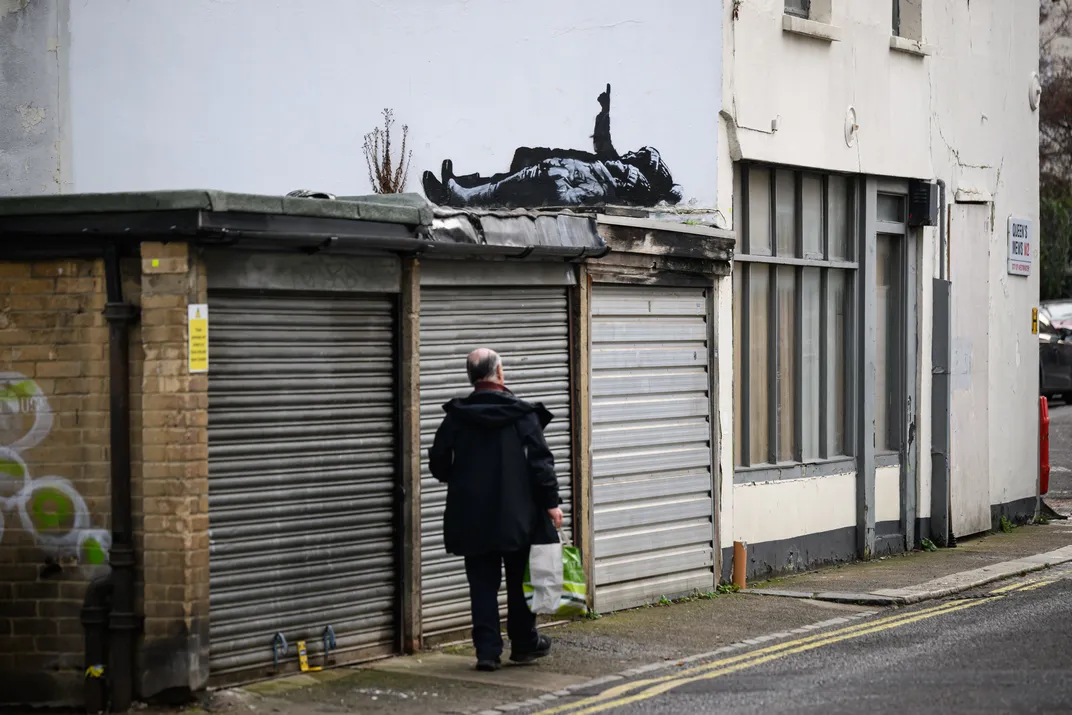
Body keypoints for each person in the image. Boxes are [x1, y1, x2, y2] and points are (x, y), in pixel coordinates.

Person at [429, 348, 564, 672]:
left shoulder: (457, 418)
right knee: (521, 581)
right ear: (499, 374)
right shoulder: (521, 416)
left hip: (472, 516)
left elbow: (438, 463)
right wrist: (551, 504)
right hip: (519, 516)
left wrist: (460, 479)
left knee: (482, 584)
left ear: (472, 377)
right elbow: (541, 464)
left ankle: (487, 652)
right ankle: (522, 644)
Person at [421, 84, 684, 208]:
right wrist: (604, 112)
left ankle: (455, 195)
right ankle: (461, 185)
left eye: (638, 155)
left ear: (647, 166)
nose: (632, 153)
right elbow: (604, 147)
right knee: (522, 160)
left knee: (514, 182)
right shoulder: (626, 168)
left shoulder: (635, 178)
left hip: (567, 179)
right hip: (568, 173)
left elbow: (605, 179)